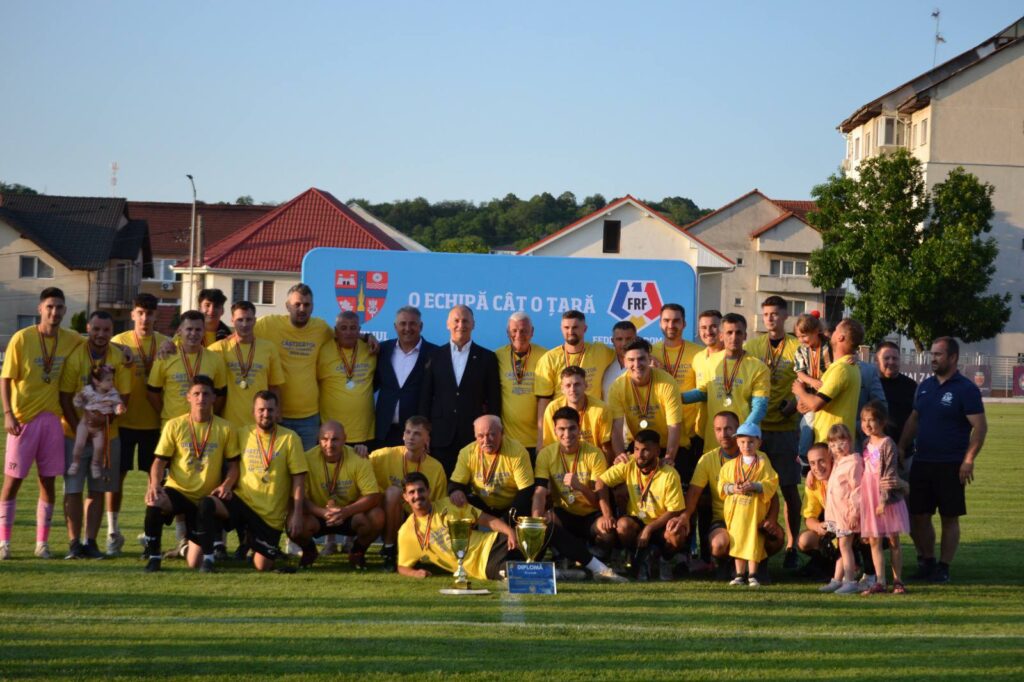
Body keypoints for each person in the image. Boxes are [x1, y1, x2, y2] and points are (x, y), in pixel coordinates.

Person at [0, 288, 82, 560]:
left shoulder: (70, 338)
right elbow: (5, 378)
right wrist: (8, 413)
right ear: (40, 309)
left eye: (59, 307)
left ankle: (42, 544)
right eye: (50, 307)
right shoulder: (22, 338)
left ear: (64, 311)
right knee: (13, 482)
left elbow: (97, 340)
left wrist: (123, 350)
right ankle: (4, 542)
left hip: (52, 422)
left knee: (48, 482)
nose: (54, 312)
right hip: (23, 421)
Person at [899, 336, 986, 584]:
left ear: (953, 357)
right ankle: (927, 562)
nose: (933, 358)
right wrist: (902, 446)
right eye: (932, 354)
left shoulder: (966, 389)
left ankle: (944, 567)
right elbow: (914, 418)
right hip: (922, 461)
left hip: (951, 464)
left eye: (938, 354)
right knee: (919, 515)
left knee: (949, 517)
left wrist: (968, 459)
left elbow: (980, 427)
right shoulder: (925, 386)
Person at [665, 410, 784, 575]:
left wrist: (771, 519)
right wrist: (685, 516)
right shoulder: (707, 459)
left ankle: (759, 564)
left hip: (754, 518)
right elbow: (693, 493)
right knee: (718, 544)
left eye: (728, 429)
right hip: (725, 520)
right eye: (718, 429)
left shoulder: (759, 458)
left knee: (777, 537)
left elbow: (773, 493)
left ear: (737, 430)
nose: (723, 434)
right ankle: (726, 565)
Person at [142, 376, 238, 573]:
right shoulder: (174, 425)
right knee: (154, 501)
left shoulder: (225, 427)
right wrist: (154, 485)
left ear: (214, 398)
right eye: (196, 394)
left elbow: (234, 466)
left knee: (194, 563)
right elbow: (159, 462)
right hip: (179, 491)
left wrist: (226, 485)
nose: (201, 398)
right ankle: (153, 557)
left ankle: (193, 552)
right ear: (188, 397)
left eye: (206, 394)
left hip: (207, 496)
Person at [58, 311, 133, 560]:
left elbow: (124, 397)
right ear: (88, 328)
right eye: (97, 329)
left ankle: (90, 542)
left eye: (106, 330)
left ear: (112, 332)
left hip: (108, 436)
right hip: (74, 435)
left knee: (98, 489)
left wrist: (102, 426)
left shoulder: (119, 357)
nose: (101, 334)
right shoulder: (76, 355)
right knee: (73, 489)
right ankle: (73, 543)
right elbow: (65, 397)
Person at [744, 296, 802, 570]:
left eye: (775, 314)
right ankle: (756, 547)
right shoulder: (753, 346)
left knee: (789, 488)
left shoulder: (797, 347)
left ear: (785, 316)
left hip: (786, 428)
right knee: (754, 488)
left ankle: (792, 546)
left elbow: (806, 382)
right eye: (766, 314)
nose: (770, 318)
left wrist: (794, 405)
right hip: (757, 429)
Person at [110, 293, 170, 555]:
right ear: (133, 314)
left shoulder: (167, 343)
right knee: (116, 479)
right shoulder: (118, 341)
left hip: (154, 424)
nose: (145, 318)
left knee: (154, 481)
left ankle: (149, 532)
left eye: (150, 313)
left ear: (157, 315)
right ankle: (113, 532)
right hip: (122, 423)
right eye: (141, 313)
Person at [225, 391, 307, 571]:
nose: (266, 414)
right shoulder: (242, 434)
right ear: (253, 412)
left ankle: (256, 544)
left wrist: (296, 513)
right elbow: (231, 465)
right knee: (210, 505)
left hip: (270, 516)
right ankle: (213, 550)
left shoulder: (290, 438)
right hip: (245, 505)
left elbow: (298, 479)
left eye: (270, 410)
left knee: (262, 566)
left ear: (277, 412)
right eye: (261, 410)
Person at [418, 305, 501, 473]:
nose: (460, 325)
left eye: (465, 321)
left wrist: (493, 434)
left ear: (473, 324)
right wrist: (423, 432)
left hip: (474, 437)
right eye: (456, 321)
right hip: (440, 436)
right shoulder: (434, 356)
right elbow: (425, 397)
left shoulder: (487, 358)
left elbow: (494, 400)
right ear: (448, 324)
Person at [291, 420, 384, 569]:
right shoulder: (306, 459)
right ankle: (309, 551)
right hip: (318, 515)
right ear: (318, 439)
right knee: (293, 520)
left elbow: (373, 496)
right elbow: (300, 496)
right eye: (325, 439)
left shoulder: (358, 458)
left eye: (335, 439)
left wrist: (346, 511)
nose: (329, 444)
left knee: (377, 516)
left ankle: (357, 551)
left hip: (350, 514)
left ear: (345, 439)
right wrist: (322, 512)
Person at [254, 283, 336, 450]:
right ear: (287, 306)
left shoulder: (321, 329)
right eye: (297, 304)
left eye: (306, 305)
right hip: (276, 414)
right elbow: (241, 332)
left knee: (306, 463)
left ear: (313, 307)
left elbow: (344, 336)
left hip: (309, 417)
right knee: (276, 462)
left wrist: (366, 338)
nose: (301, 309)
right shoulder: (268, 324)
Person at [596, 430, 686, 581]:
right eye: (636, 449)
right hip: (637, 521)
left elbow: (674, 511)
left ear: (657, 451)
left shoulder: (670, 474)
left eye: (645, 450)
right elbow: (601, 482)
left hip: (660, 523)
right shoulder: (629, 463)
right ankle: (637, 558)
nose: (639, 455)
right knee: (622, 526)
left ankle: (665, 561)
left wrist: (649, 529)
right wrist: (607, 514)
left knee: (677, 533)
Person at [532, 407, 613, 557]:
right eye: (561, 429)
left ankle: (597, 557)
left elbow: (598, 501)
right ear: (555, 430)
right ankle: (564, 554)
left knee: (606, 531)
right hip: (564, 513)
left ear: (579, 428)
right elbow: (540, 492)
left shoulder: (595, 454)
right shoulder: (545, 454)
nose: (567, 434)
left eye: (572, 428)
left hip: (590, 514)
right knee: (544, 521)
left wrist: (580, 487)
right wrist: (535, 521)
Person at [369, 416, 447, 571]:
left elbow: (439, 504)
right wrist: (359, 450)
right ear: (403, 435)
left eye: (417, 434)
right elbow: (359, 465)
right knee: (393, 492)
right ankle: (389, 550)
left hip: (418, 519)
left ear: (427, 439)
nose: (411, 437)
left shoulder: (436, 467)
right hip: (389, 516)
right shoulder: (384, 455)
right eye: (408, 432)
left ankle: (416, 548)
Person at [682, 313, 770, 449]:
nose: (734, 337)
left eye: (738, 333)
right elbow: (704, 392)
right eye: (729, 332)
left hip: (743, 442)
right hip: (714, 439)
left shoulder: (758, 367)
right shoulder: (711, 361)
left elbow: (760, 407)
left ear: (745, 336)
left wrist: (742, 432)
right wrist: (677, 397)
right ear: (721, 336)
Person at [719, 423, 779, 588]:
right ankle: (739, 574)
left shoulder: (763, 462)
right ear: (737, 443)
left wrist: (756, 486)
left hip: (754, 512)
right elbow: (722, 485)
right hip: (737, 512)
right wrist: (733, 488)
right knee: (737, 540)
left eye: (751, 442)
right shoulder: (730, 465)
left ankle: (753, 574)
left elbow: (772, 481)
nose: (747, 446)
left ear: (759, 443)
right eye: (743, 442)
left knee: (754, 541)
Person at [859, 400, 910, 595]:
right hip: (869, 495)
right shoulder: (866, 443)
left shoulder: (887, 444)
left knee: (893, 539)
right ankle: (880, 581)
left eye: (871, 420)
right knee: (874, 540)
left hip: (886, 499)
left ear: (882, 422)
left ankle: (898, 580)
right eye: (864, 420)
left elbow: (889, 475)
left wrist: (883, 501)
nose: (867, 425)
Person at [535, 310, 616, 430]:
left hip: (593, 425)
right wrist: (542, 435)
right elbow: (543, 401)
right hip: (563, 428)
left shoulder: (600, 351)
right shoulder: (549, 359)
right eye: (566, 327)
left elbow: (624, 354)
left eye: (575, 327)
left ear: (585, 328)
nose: (570, 331)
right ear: (561, 329)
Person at [208, 301, 284, 428]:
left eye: (248, 319)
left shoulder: (269, 348)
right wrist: (174, 342)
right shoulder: (219, 348)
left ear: (255, 320)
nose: (244, 324)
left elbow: (274, 386)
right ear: (232, 320)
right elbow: (196, 355)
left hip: (259, 424)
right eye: (240, 320)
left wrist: (277, 415)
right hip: (228, 423)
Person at [608, 339, 683, 466]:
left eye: (641, 359)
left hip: (669, 447)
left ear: (649, 359)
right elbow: (616, 427)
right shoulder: (617, 387)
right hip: (639, 447)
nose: (636, 364)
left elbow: (674, 426)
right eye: (631, 360)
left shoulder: (667, 383)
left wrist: (669, 457)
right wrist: (620, 455)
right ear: (625, 362)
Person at [147, 310, 229, 424]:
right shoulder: (164, 357)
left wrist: (207, 414)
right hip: (173, 425)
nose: (193, 333)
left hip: (204, 426)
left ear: (204, 331)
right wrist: (166, 413)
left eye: (198, 329)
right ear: (180, 331)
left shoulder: (216, 359)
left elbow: (220, 395)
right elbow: (152, 392)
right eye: (189, 329)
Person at [651, 304, 702, 485]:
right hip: (658, 435)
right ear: (659, 323)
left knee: (684, 490)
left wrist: (677, 398)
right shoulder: (649, 352)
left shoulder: (698, 352)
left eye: (676, 321)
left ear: (684, 324)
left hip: (689, 436)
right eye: (666, 320)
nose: (671, 325)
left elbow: (704, 390)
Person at [793, 318, 864, 446]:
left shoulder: (841, 369)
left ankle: (803, 455)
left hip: (833, 443)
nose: (831, 333)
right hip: (833, 440)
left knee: (806, 431)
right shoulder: (846, 366)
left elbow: (815, 404)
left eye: (835, 330)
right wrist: (804, 401)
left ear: (840, 337)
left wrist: (800, 391)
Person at [374, 306, 436, 448]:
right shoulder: (382, 350)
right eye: (403, 323)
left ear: (421, 326)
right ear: (395, 327)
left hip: (416, 434)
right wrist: (366, 336)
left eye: (412, 323)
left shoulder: (435, 353)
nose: (407, 328)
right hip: (383, 431)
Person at [448, 415, 533, 519]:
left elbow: (525, 492)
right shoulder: (467, 453)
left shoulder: (518, 452)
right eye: (481, 436)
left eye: (491, 434)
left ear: (502, 433)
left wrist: (505, 520)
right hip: (482, 504)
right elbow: (456, 484)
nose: (486, 440)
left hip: (511, 506)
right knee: (453, 502)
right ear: (475, 436)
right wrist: (456, 491)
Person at [319, 311, 376, 451]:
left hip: (364, 432)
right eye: (343, 328)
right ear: (335, 331)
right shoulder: (322, 351)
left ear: (359, 330)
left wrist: (368, 337)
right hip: (332, 434)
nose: (348, 332)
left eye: (353, 328)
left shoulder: (371, 349)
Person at [820, 424, 864, 595]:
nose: (837, 447)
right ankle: (837, 579)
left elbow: (857, 490)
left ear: (850, 441)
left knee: (845, 546)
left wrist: (854, 513)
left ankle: (850, 580)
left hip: (847, 514)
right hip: (836, 514)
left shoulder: (854, 462)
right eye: (832, 444)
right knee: (841, 546)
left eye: (841, 442)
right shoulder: (838, 462)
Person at [496, 312, 546, 463]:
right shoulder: (496, 356)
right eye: (514, 330)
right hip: (507, 443)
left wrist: (542, 439)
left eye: (524, 330)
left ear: (532, 332)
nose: (519, 335)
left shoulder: (546, 356)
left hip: (538, 442)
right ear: (507, 332)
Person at [539, 366, 614, 464]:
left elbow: (606, 447)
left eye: (577, 384)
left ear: (585, 385)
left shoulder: (601, 409)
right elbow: (549, 446)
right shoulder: (553, 409)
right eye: (568, 385)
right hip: (562, 464)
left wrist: (604, 471)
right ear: (562, 388)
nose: (573, 389)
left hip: (593, 463)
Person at [68, 366, 126, 479]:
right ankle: (75, 462)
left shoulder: (113, 394)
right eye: (108, 380)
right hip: (85, 424)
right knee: (79, 443)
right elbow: (77, 404)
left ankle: (94, 465)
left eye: (112, 379)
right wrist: (79, 398)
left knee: (99, 447)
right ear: (96, 381)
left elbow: (117, 406)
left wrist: (119, 409)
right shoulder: (88, 391)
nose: (111, 382)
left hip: (99, 428)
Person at [793, 312, 833, 464]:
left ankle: (825, 455)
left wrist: (853, 356)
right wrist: (812, 381)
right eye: (798, 337)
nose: (801, 340)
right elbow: (799, 373)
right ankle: (803, 456)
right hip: (807, 389)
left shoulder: (829, 346)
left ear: (816, 331)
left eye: (804, 336)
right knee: (809, 420)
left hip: (824, 390)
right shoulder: (801, 350)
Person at [795, 443, 835, 577]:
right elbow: (809, 517)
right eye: (812, 463)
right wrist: (818, 527)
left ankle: (858, 563)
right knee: (804, 540)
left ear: (832, 459)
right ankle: (828, 561)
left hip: (853, 527)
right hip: (832, 528)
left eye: (821, 461)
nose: (817, 467)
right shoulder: (813, 483)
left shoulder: (842, 476)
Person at [690, 309, 724, 458]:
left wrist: (677, 397)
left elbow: (704, 393)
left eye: (713, 326)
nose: (708, 332)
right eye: (703, 327)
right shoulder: (698, 358)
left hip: (724, 432)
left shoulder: (731, 357)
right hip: (701, 430)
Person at [876, 341, 917, 453]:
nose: (891, 362)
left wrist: (902, 447)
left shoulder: (911, 386)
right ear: (877, 360)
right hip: (873, 453)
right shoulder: (870, 384)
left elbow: (916, 419)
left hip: (904, 452)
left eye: (895, 358)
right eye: (886, 358)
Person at [600, 321, 637, 401]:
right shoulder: (604, 362)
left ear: (636, 340)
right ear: (612, 341)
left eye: (628, 339)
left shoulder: (645, 365)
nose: (624, 343)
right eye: (619, 339)